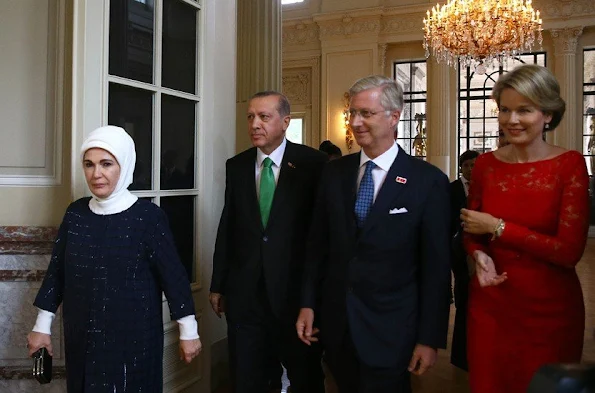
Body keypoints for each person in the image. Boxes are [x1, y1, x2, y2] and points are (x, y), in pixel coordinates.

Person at [296, 75, 451, 393]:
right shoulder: (333, 174)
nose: (355, 122)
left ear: (395, 116)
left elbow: (435, 269)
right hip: (337, 326)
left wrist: (429, 338)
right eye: (352, 113)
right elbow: (317, 247)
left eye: (366, 113)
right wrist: (308, 304)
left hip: (393, 329)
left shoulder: (427, 181)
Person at [26, 126, 201, 392]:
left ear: (125, 164)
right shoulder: (76, 214)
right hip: (82, 338)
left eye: (106, 164)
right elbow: (57, 273)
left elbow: (174, 278)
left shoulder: (147, 217)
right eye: (89, 164)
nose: (96, 174)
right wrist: (42, 326)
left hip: (135, 341)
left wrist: (188, 331)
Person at [461, 64, 589, 393]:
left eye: (524, 110)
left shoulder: (570, 164)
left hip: (549, 313)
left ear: (548, 114)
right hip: (490, 306)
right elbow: (473, 231)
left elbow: (568, 252)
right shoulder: (486, 166)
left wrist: (500, 227)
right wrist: (479, 256)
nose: (511, 120)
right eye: (504, 109)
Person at [210, 91, 326, 393]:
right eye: (250, 117)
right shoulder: (237, 166)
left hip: (295, 297)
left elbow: (320, 235)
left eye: (264, 116)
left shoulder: (314, 163)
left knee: (305, 377)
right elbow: (228, 225)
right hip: (245, 295)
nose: (255, 124)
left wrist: (314, 299)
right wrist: (218, 283)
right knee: (249, 378)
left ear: (285, 122)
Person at [449, 149, 480, 371]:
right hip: (459, 252)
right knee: (463, 300)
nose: (471, 169)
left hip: (481, 252)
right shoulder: (452, 189)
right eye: (467, 165)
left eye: (474, 165)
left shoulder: (485, 188)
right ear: (461, 167)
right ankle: (460, 356)